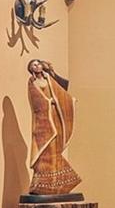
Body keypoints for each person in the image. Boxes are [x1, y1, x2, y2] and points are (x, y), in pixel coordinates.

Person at [26, 59, 82, 197]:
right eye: (34, 65)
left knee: (55, 147)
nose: (37, 66)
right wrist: (47, 101)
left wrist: (69, 100)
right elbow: (36, 99)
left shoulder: (48, 79)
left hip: (54, 118)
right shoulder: (32, 83)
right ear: (31, 69)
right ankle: (43, 184)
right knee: (46, 149)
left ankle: (59, 182)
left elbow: (61, 91)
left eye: (38, 63)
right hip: (43, 122)